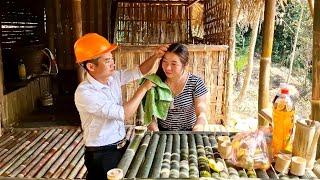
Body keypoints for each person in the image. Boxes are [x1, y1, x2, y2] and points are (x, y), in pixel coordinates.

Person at [73, 33, 167, 180]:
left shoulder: (112, 77)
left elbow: (139, 71)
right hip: (102, 154)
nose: (113, 63)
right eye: (107, 60)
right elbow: (124, 114)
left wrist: (155, 56)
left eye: (112, 58)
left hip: (121, 146)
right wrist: (143, 89)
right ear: (91, 66)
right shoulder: (85, 93)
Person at [147, 43, 208, 131]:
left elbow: (201, 112)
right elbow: (150, 114)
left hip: (189, 132)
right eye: (165, 62)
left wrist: (198, 127)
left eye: (174, 64)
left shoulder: (195, 83)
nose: (168, 67)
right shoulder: (156, 82)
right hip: (162, 133)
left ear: (185, 64)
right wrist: (156, 133)